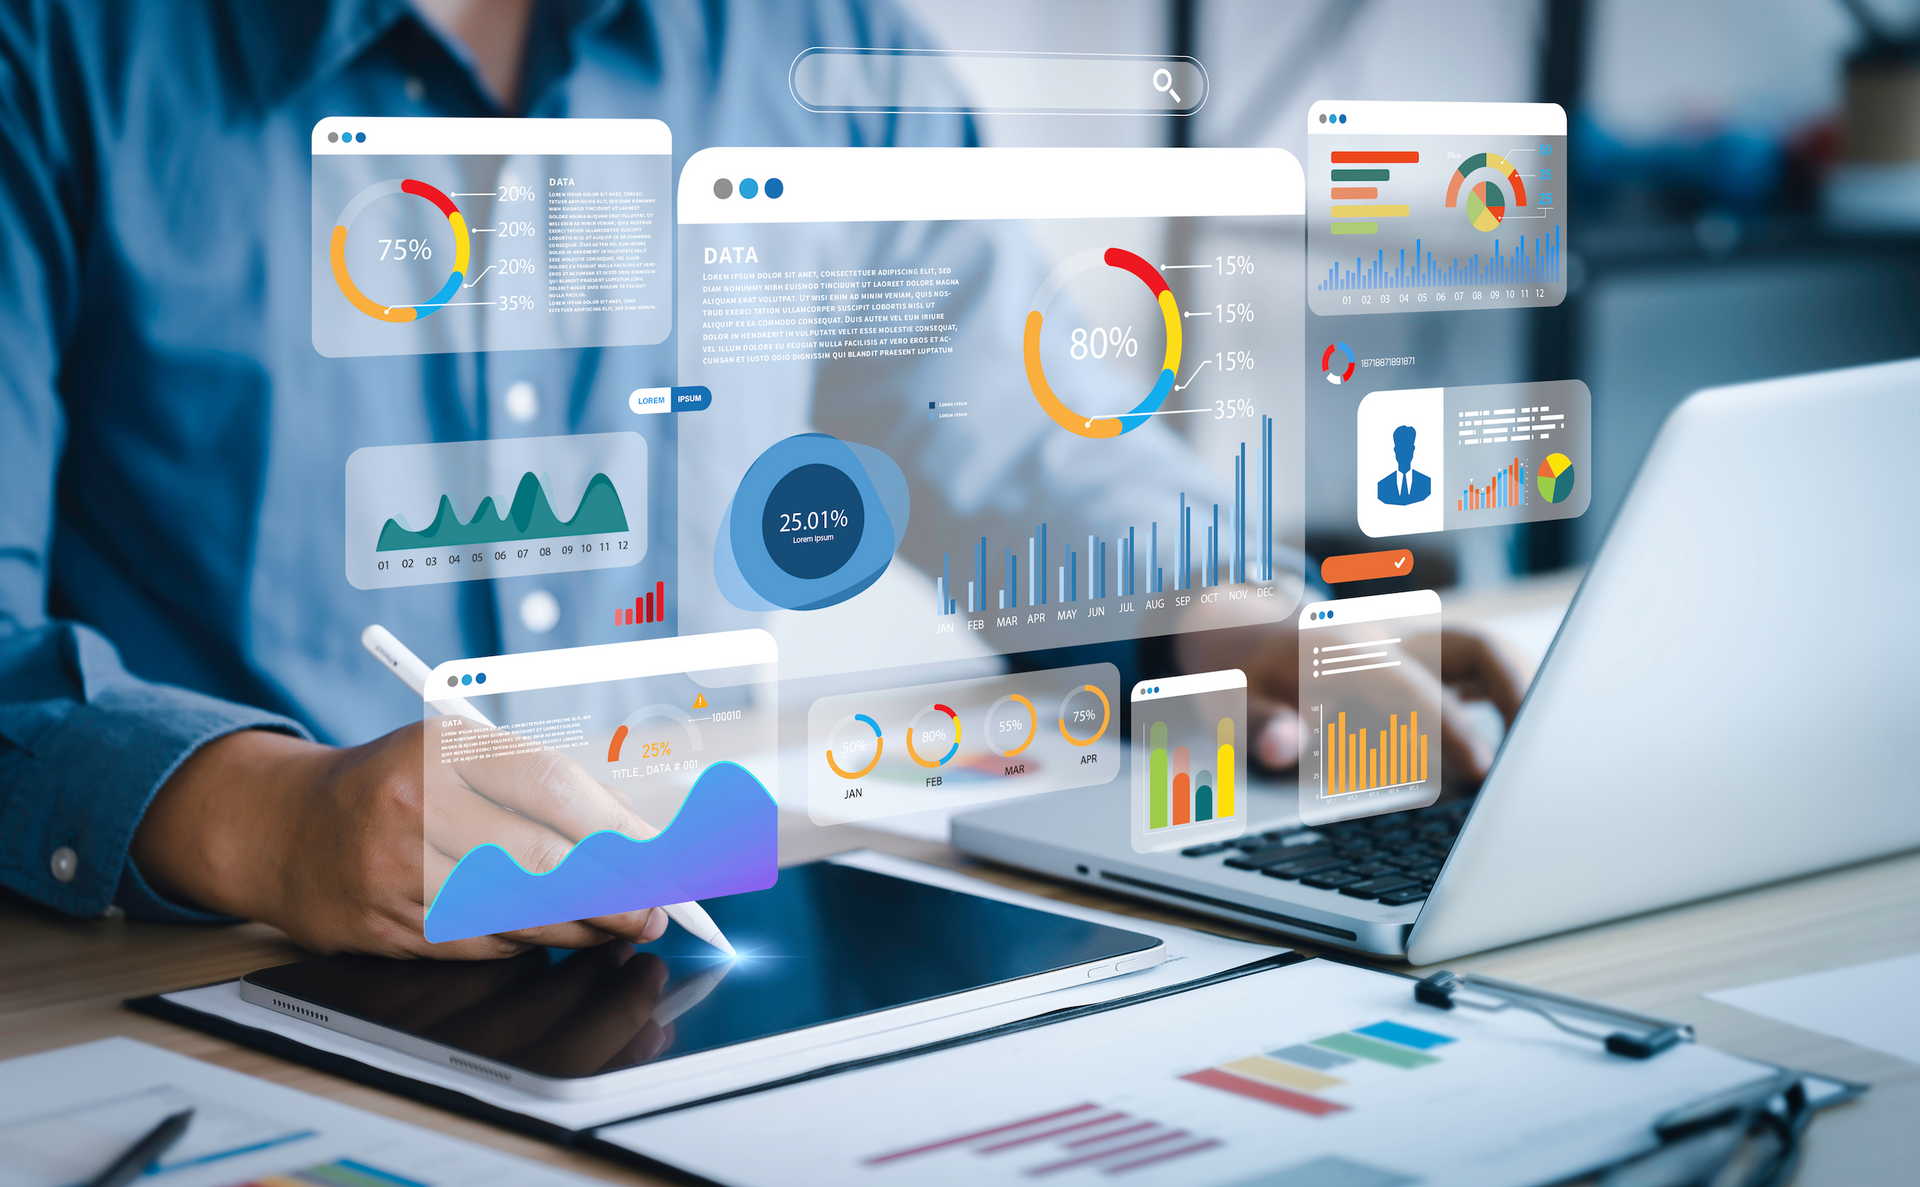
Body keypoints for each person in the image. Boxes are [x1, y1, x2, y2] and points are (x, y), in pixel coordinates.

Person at [0, 0, 1526, 959]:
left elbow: (1005, 434)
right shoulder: (52, 52)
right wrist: (272, 819)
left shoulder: (814, 44)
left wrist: (1242, 626)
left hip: (684, 960)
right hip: (187, 973)